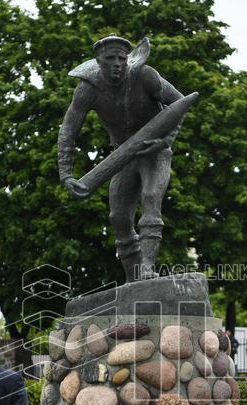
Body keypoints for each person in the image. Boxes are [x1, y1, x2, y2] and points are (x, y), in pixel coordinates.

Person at [58, 35, 186, 281]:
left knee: (151, 198)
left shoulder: (145, 75)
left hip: (154, 152)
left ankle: (147, 268)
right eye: (110, 58)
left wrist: (165, 140)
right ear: (98, 61)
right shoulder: (87, 89)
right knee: (118, 217)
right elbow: (68, 131)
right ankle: (133, 279)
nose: (117, 63)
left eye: (122, 58)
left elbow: (180, 103)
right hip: (122, 156)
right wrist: (66, 174)